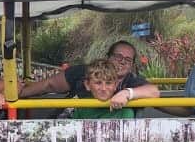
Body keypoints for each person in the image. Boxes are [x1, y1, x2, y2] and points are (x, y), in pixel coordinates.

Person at [19, 40, 161, 111]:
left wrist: (127, 93)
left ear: (132, 65)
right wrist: (19, 94)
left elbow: (153, 91)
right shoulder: (83, 71)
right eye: (118, 57)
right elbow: (49, 84)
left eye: (128, 60)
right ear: (108, 57)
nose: (122, 62)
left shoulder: (132, 81)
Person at [68, 59, 138, 119]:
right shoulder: (82, 106)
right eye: (98, 83)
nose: (103, 88)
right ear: (87, 85)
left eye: (108, 83)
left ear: (115, 85)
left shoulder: (125, 111)